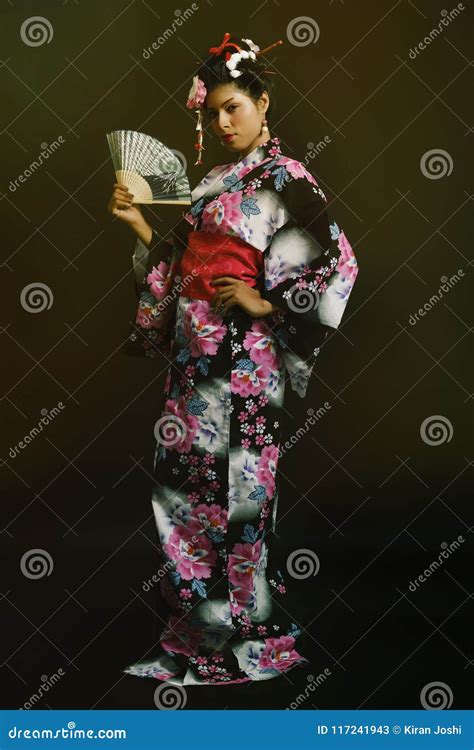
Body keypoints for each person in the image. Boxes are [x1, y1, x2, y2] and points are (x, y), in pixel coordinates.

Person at [107, 33, 359, 686]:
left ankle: (250, 645)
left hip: (246, 370)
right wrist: (141, 227)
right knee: (180, 496)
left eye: (233, 109)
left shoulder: (288, 178)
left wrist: (265, 299)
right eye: (211, 112)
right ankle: (193, 638)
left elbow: (336, 262)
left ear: (263, 104)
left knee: (238, 502)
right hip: (192, 369)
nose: (221, 123)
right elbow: (179, 270)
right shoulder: (212, 184)